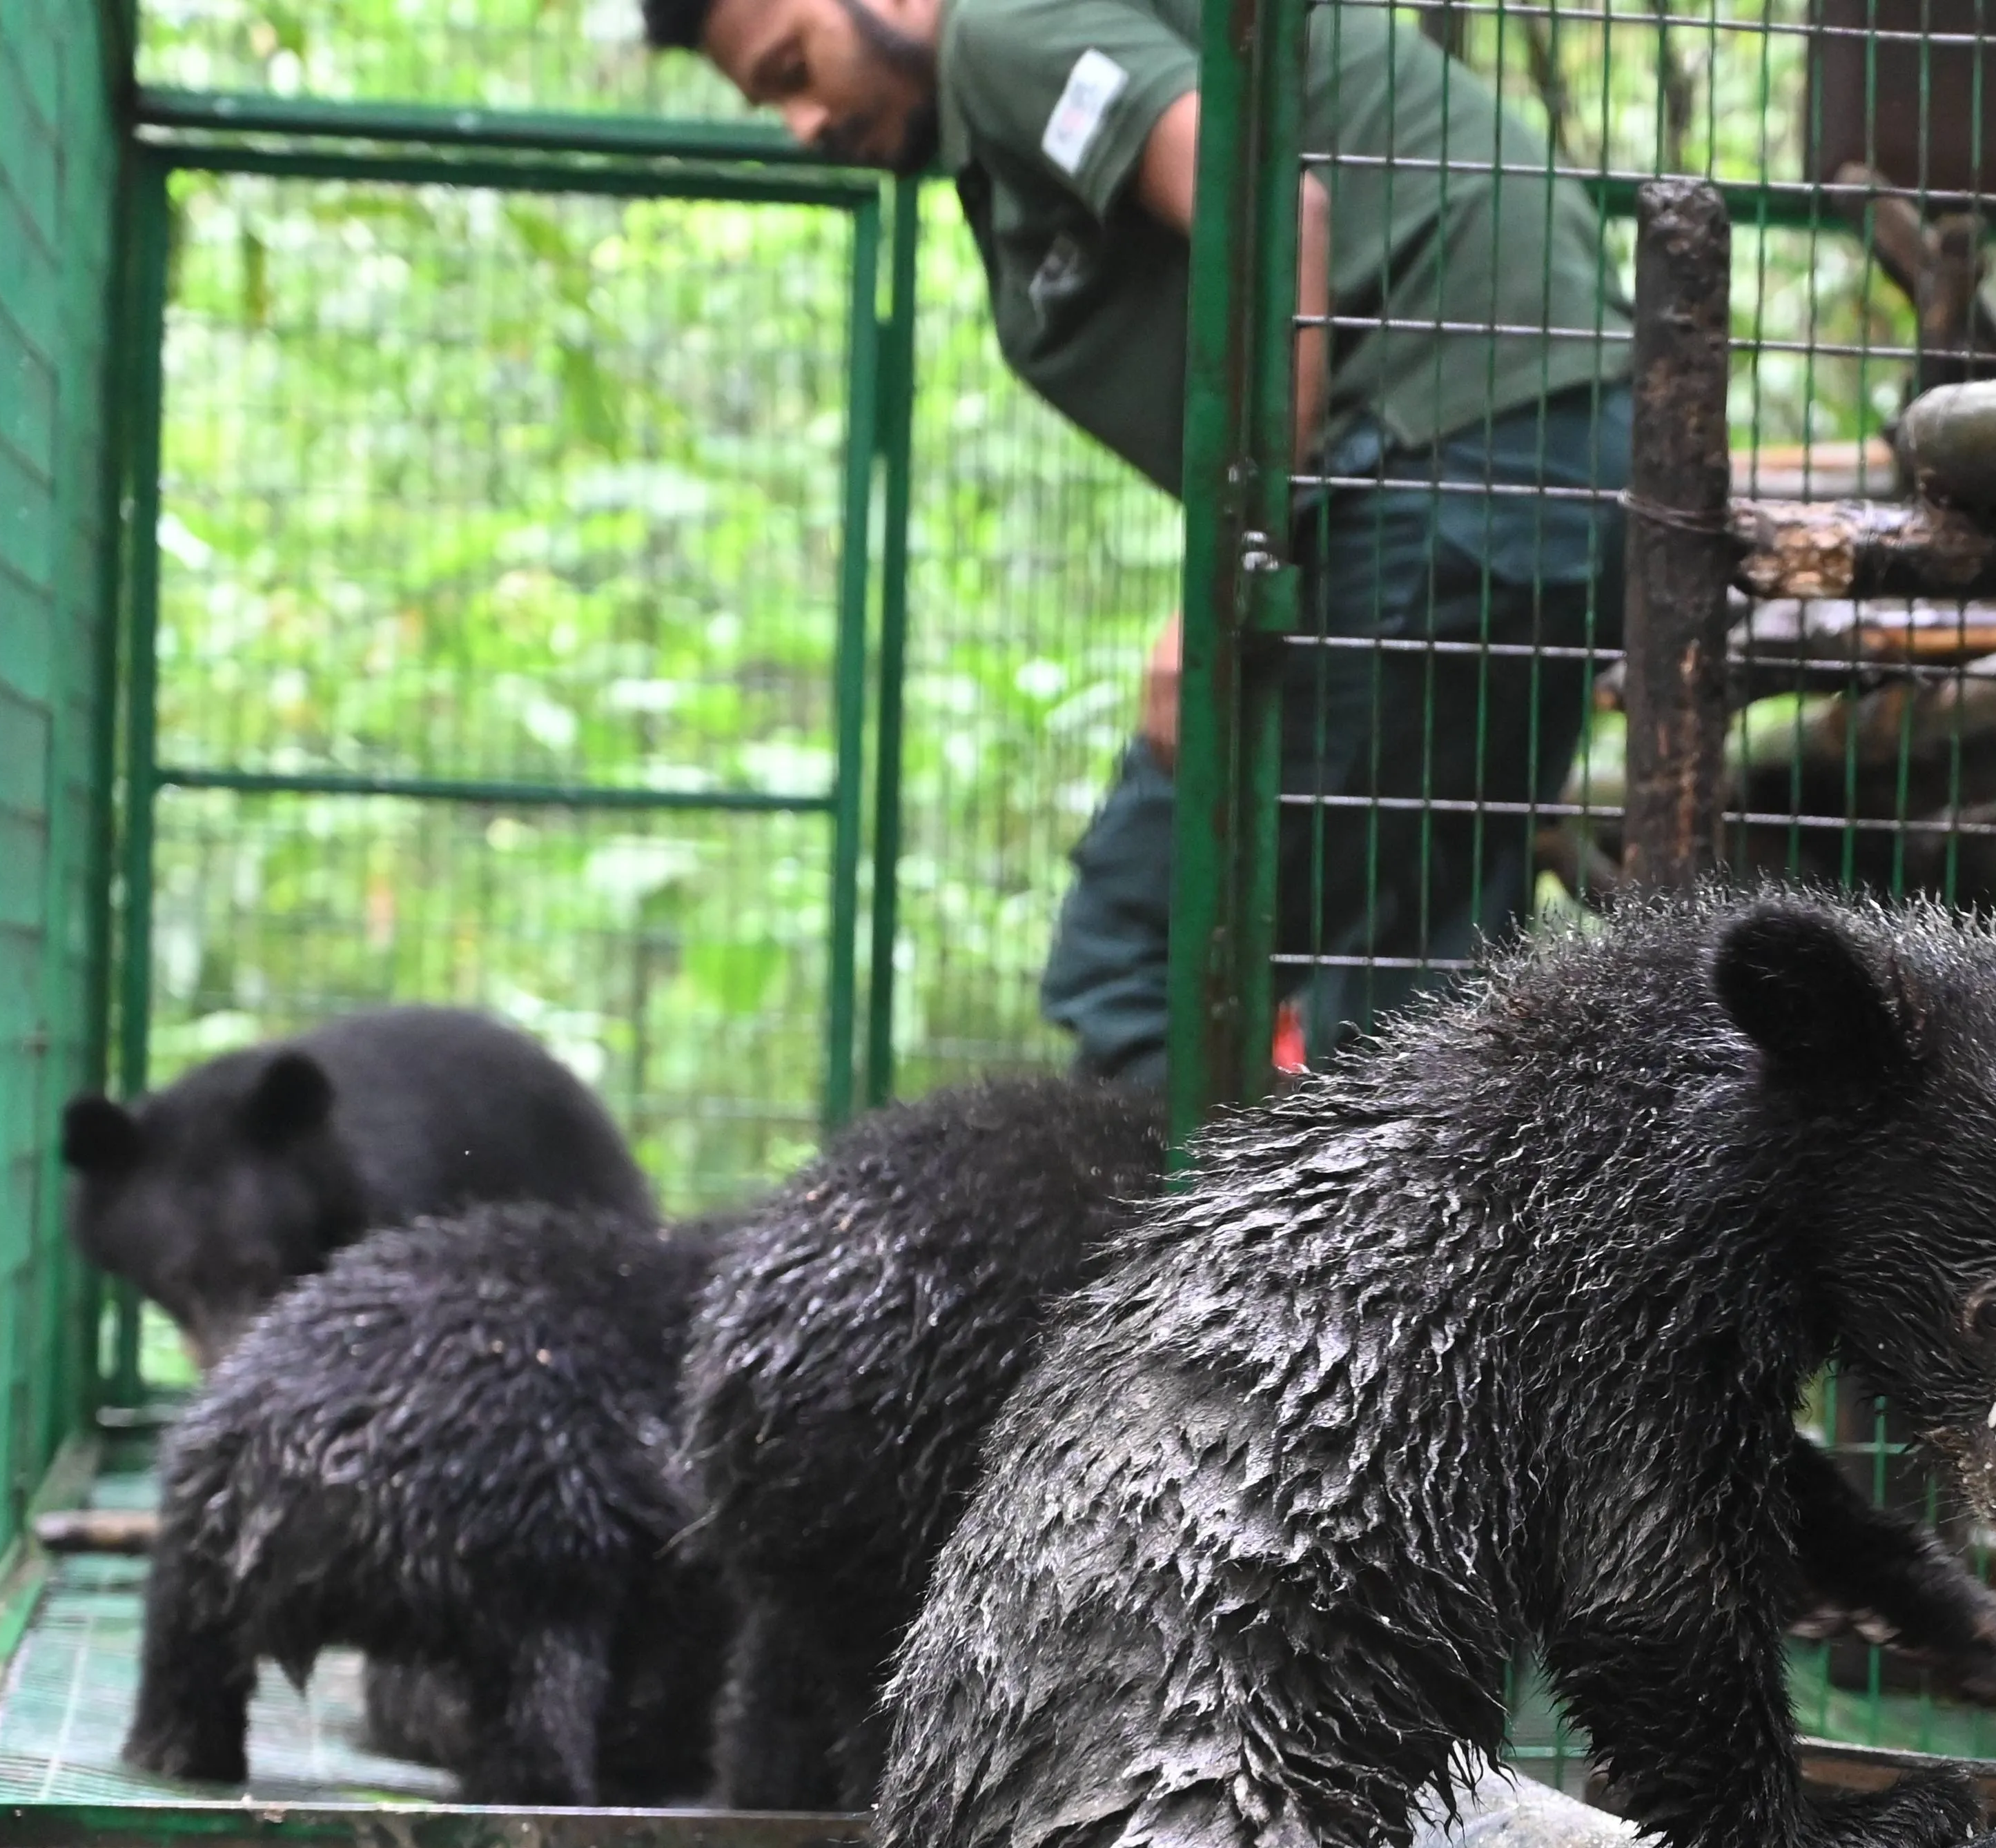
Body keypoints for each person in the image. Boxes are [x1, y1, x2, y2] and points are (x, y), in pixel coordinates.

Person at [642, 0, 1630, 1085]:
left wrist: (1222, 577)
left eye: (796, 68)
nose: (804, 123)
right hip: (1567, 464)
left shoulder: (1002, 30)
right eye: (772, 100)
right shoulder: (1011, 79)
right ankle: (1436, 1255)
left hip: (1453, 467)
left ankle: (1218, 1261)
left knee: (1140, 957)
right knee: (1417, 992)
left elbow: (1260, 206)